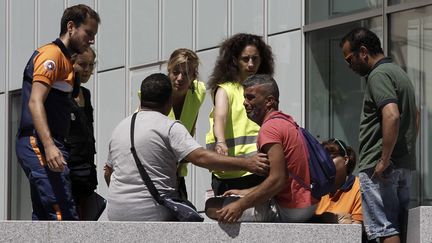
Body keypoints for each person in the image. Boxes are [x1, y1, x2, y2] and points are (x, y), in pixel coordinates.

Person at [104, 73, 269, 221]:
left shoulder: (120, 127)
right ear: (169, 100)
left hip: (116, 212)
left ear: (142, 98)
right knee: (205, 209)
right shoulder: (168, 126)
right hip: (154, 213)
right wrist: (247, 163)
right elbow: (201, 157)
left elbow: (108, 173)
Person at [15, 4, 100, 220]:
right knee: (62, 214)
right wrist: (50, 146)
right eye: (88, 33)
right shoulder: (51, 56)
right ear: (71, 27)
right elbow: (35, 102)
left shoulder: (67, 64)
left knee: (46, 216)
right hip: (39, 142)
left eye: (94, 35)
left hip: (53, 143)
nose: (91, 40)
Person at [340, 27, 418, 243]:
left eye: (350, 59)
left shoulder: (378, 75)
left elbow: (391, 115)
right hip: (401, 163)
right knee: (397, 227)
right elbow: (416, 115)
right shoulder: (399, 73)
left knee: (385, 229)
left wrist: (383, 159)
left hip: (380, 167)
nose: (349, 66)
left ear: (363, 51)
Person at [217, 74, 316, 223]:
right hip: (308, 205)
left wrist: (239, 205)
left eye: (250, 98)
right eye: (244, 98)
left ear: (269, 101)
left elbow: (278, 179)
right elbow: (286, 178)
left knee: (213, 206)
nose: (245, 103)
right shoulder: (287, 121)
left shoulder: (269, 129)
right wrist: (245, 192)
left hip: (290, 209)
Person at [206, 33, 274, 196]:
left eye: (255, 59)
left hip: (258, 170)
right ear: (235, 60)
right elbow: (220, 117)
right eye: (246, 59)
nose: (251, 64)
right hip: (227, 172)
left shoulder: (264, 89)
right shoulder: (225, 89)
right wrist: (221, 142)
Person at [166, 48, 206, 200]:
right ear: (168, 72)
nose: (180, 78)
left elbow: (190, 127)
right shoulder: (157, 93)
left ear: (194, 76)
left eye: (187, 73)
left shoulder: (198, 93)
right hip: (156, 171)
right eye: (176, 72)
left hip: (178, 172)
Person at [65, 47, 98, 220]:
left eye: (91, 65)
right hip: (69, 166)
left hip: (87, 169)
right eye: (82, 64)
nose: (87, 69)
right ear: (71, 64)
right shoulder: (62, 92)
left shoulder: (86, 93)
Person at [314, 139, 362, 224]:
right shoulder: (317, 188)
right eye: (323, 160)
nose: (326, 163)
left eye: (331, 158)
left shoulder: (359, 187)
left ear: (345, 160)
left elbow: (357, 229)